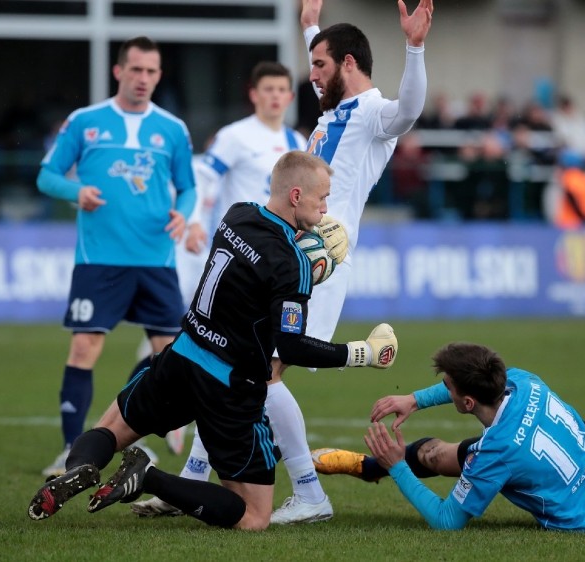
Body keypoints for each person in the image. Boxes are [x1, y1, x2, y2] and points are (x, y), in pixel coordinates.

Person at [143, 0, 432, 526]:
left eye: (320, 65)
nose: (311, 75)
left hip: (317, 267)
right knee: (237, 369)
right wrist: (309, 28)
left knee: (265, 372)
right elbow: (328, 69)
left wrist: (414, 47)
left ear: (348, 64)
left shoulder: (371, 115)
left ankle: (308, 491)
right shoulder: (332, 114)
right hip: (284, 259)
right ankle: (192, 481)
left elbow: (409, 111)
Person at [26, 151, 399, 531]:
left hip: (182, 356)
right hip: (228, 386)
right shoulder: (292, 264)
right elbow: (291, 347)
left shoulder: (237, 215)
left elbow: (252, 270)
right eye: (322, 198)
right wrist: (362, 353)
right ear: (297, 196)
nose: (326, 207)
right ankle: (148, 478)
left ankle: (78, 468)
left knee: (112, 428)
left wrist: (296, 243)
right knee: (254, 516)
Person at [128, 60, 308, 513]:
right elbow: (205, 179)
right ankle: (161, 416)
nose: (274, 96)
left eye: (281, 89)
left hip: (266, 276)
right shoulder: (234, 135)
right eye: (266, 88)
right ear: (254, 93)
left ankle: (184, 468)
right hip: (228, 264)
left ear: (289, 96)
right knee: (237, 367)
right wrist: (191, 222)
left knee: (241, 370)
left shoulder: (297, 143)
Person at [312, 341, 585, 532]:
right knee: (439, 455)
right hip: (580, 450)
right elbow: (471, 399)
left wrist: (399, 468)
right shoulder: (519, 380)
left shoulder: (495, 452)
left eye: (449, 389)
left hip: (579, 499)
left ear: (469, 402)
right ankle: (363, 467)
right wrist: (416, 400)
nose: (447, 392)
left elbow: (447, 521)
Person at [36, 36, 196, 477]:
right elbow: (47, 176)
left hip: (156, 260)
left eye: (152, 72)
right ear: (119, 71)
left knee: (173, 359)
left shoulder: (172, 129)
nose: (143, 79)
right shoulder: (85, 122)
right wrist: (76, 191)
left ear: (159, 76)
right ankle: (72, 451)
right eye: (136, 70)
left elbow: (189, 188)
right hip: (99, 261)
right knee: (85, 347)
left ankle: (134, 438)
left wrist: (183, 216)